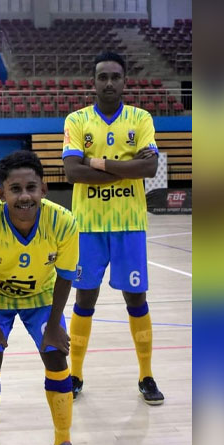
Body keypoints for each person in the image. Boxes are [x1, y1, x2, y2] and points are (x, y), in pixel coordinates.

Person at [61, 52, 164, 405]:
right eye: (102, 77)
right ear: (93, 82)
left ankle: (146, 375)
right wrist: (125, 167)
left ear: (124, 81)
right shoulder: (77, 120)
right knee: (84, 299)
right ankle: (75, 374)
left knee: (136, 299)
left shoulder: (141, 118)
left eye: (115, 77)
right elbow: (72, 172)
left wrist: (96, 163)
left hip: (129, 224)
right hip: (87, 226)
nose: (108, 83)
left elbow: (149, 169)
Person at [0, 151, 78, 445]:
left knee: (56, 355)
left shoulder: (64, 222)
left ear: (44, 189)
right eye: (15, 189)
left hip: (42, 296)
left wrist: (55, 325)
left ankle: (63, 440)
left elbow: (65, 276)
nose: (24, 196)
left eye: (31, 187)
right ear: (1, 194)